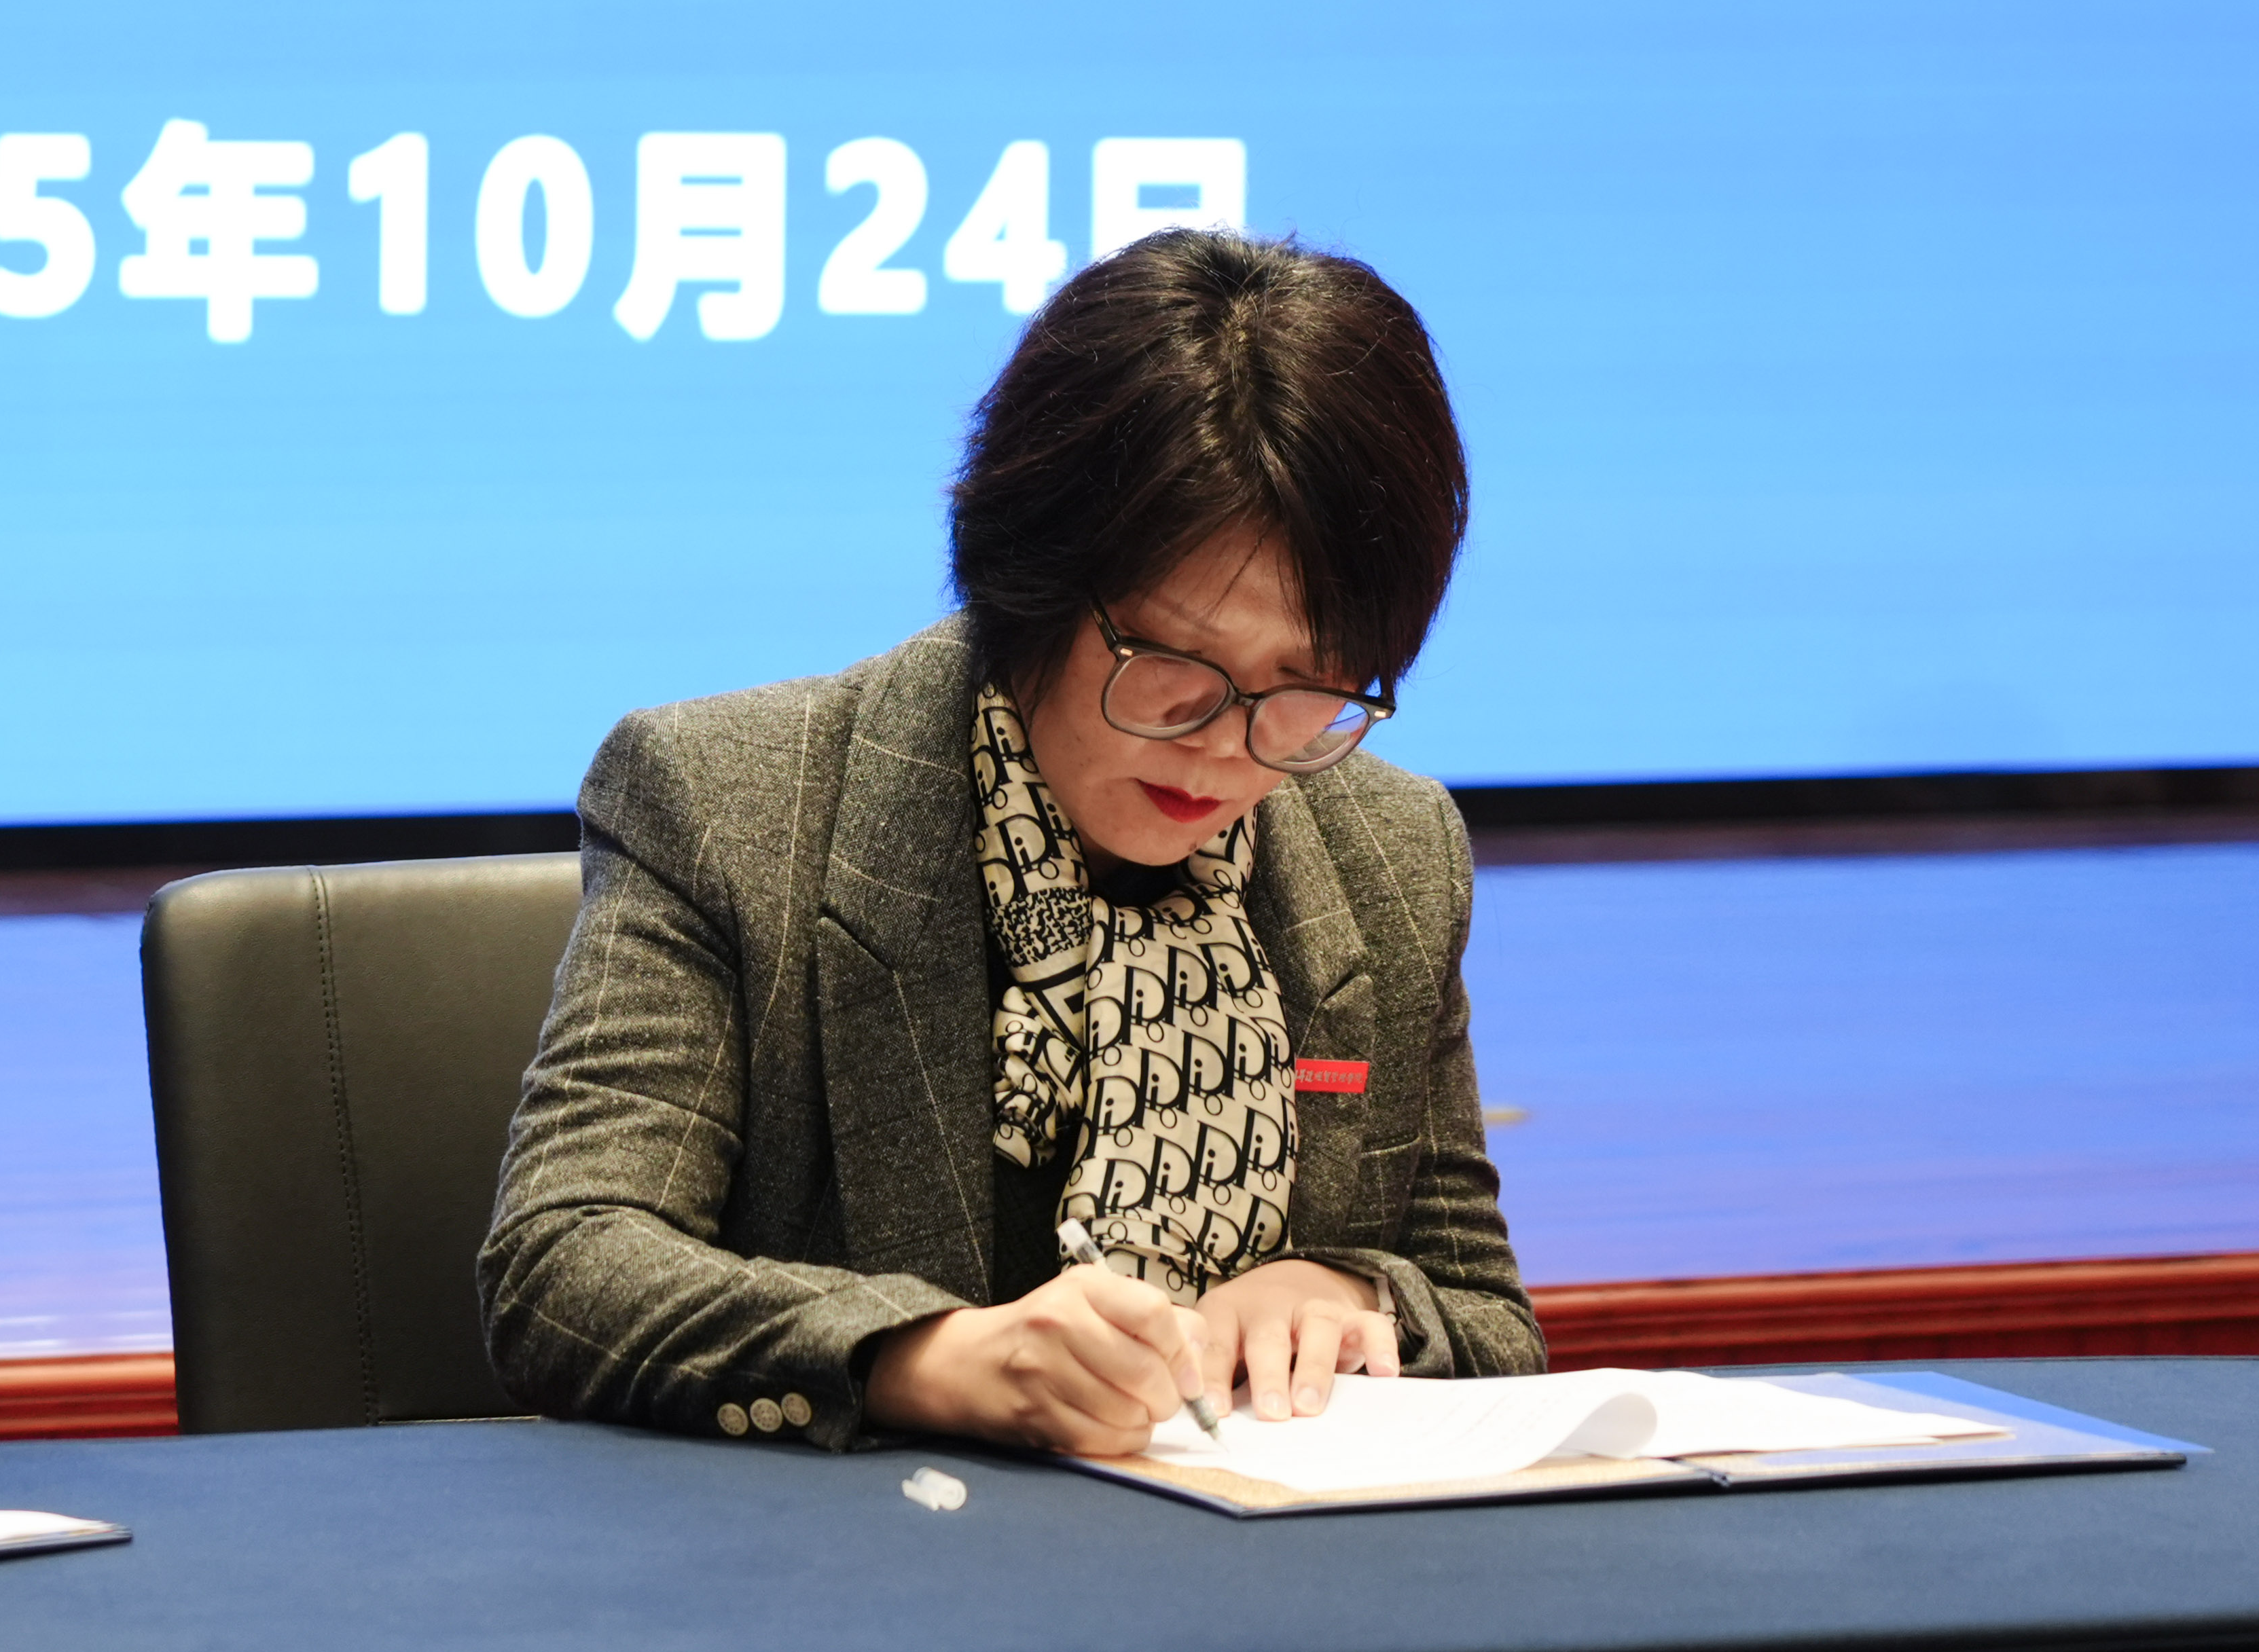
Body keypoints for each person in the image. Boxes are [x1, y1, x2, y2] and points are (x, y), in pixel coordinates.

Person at [478, 230, 1536, 1459]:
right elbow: (564, 1265)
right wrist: (926, 1358)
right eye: (1173, 662)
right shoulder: (727, 805)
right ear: (1030, 577)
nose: (1225, 745)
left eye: (1309, 685)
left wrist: (1346, 1294)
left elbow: (1483, 1312)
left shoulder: (1390, 852)